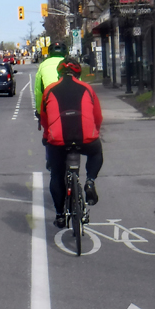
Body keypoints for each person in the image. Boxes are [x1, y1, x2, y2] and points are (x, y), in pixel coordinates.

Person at [40, 55, 103, 228]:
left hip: (58, 141)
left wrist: (47, 136)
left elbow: (44, 119)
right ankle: (90, 181)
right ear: (78, 73)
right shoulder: (87, 89)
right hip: (86, 139)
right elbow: (98, 116)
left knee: (56, 175)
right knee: (96, 151)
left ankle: (60, 215)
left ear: (59, 73)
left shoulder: (49, 90)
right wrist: (94, 131)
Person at [34, 41, 69, 115]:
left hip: (50, 102)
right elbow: (79, 83)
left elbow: (38, 90)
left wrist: (39, 110)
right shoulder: (70, 64)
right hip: (70, 105)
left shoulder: (43, 65)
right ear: (65, 53)